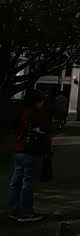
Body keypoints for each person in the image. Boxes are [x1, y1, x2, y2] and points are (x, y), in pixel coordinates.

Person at [8, 91, 50, 222]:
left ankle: (14, 210)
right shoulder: (36, 114)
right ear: (37, 102)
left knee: (16, 182)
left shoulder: (21, 112)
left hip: (19, 149)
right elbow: (44, 130)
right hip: (31, 151)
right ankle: (26, 212)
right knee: (28, 182)